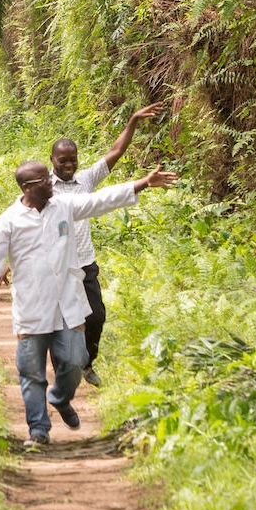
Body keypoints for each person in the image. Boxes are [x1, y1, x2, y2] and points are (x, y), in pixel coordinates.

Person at [0, 158, 176, 448]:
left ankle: (60, 397)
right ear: (28, 187)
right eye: (44, 179)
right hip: (32, 306)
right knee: (31, 371)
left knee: (74, 360)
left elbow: (100, 200)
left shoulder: (65, 206)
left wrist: (143, 183)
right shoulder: (8, 221)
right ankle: (39, 429)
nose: (51, 181)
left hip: (67, 302)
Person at [50, 101, 166, 387]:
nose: (68, 165)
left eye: (72, 159)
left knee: (96, 316)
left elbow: (115, 152)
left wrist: (134, 120)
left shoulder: (86, 181)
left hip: (85, 261)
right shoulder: (44, 187)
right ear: (52, 160)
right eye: (62, 160)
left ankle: (87, 364)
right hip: (56, 265)